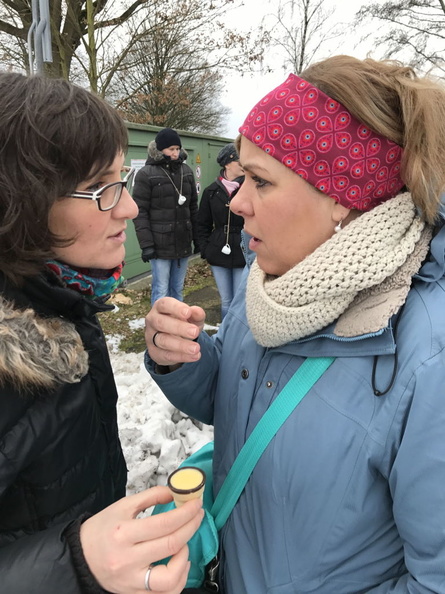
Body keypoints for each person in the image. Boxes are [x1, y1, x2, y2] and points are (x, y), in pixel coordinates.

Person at [143, 55, 445, 593]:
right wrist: (184, 358)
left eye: (261, 181)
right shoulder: (272, 279)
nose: (239, 205)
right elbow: (243, 404)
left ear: (342, 199)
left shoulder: (426, 352)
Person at [0, 72, 204, 594]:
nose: (129, 208)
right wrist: (72, 567)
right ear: (17, 203)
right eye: (98, 189)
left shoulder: (66, 300)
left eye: (121, 179)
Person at [132, 127, 199, 306]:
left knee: (177, 288)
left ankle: (177, 326)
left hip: (183, 241)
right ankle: (159, 328)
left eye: (178, 149)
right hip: (159, 244)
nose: (175, 153)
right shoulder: (146, 174)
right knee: (161, 289)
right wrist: (146, 245)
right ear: (161, 149)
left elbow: (193, 207)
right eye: (171, 149)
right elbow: (140, 212)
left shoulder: (187, 171)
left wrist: (198, 239)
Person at [197, 143, 245, 320]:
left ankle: (238, 337)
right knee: (226, 300)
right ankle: (225, 337)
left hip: (243, 250)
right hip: (218, 250)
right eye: (239, 159)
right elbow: (202, 223)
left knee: (241, 300)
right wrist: (205, 249)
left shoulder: (250, 190)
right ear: (227, 163)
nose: (243, 163)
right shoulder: (211, 191)